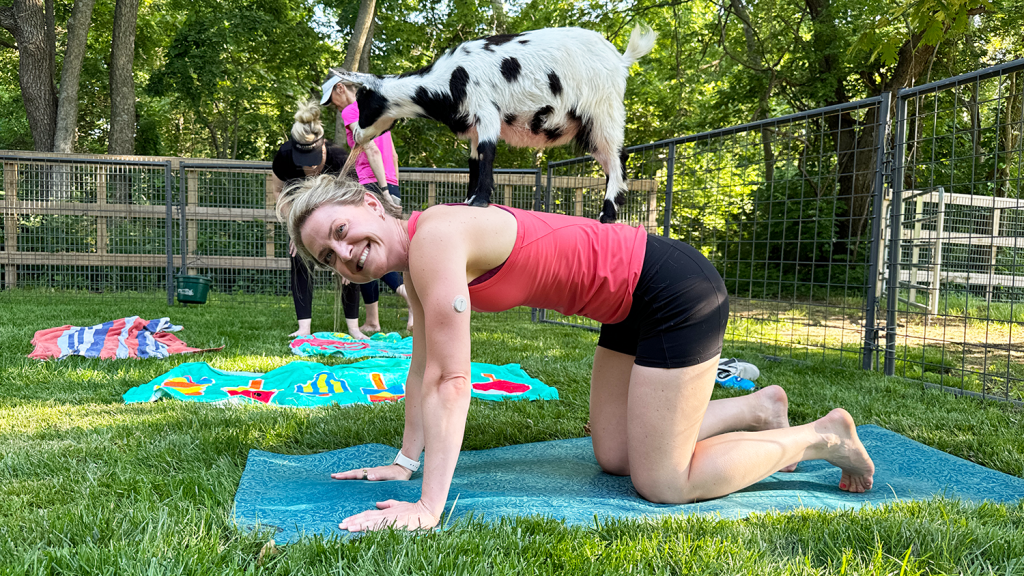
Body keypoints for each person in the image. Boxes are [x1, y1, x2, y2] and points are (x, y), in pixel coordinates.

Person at [276, 175, 876, 533]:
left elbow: (451, 383)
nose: (343, 251)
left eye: (340, 229)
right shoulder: (425, 262)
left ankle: (821, 437)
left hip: (671, 290)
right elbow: (423, 368)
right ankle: (758, 409)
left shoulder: (434, 238)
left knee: (664, 481)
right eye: (327, 255)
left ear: (371, 204)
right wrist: (404, 463)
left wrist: (428, 507)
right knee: (615, 455)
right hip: (625, 306)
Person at [321, 73, 413, 334]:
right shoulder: (377, 106)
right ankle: (386, 317)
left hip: (373, 185)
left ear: (341, 88)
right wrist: (393, 189)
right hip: (390, 182)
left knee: (366, 251)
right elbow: (391, 153)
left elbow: (371, 150)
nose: (334, 106)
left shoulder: (351, 111)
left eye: (332, 100)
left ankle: (404, 300)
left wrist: (381, 190)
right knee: (395, 247)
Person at [270, 100, 348, 337]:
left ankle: (354, 324)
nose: (311, 167)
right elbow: (278, 193)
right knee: (297, 255)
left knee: (346, 261)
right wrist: (296, 229)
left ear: (323, 146)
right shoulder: (283, 156)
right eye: (304, 162)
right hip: (300, 216)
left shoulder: (338, 158)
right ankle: (304, 327)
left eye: (315, 159)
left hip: (334, 217)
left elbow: (348, 204)